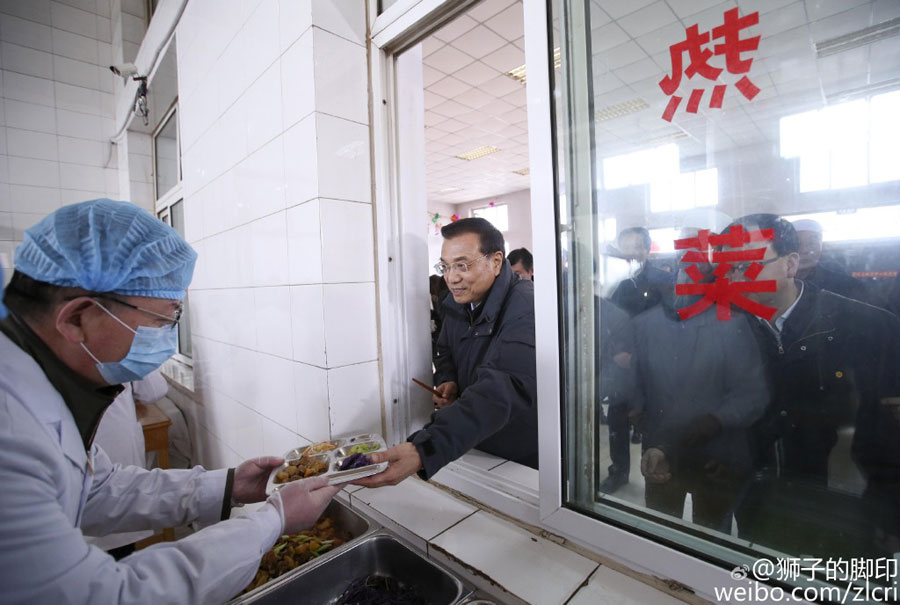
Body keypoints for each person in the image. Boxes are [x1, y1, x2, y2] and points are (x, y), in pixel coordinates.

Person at [0, 199, 340, 603]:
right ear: (77, 318)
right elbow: (107, 597)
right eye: (163, 319)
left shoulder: (39, 386)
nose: (168, 336)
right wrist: (272, 521)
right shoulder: (11, 432)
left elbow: (97, 488)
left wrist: (229, 485)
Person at [722, 214, 900, 557]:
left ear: (790, 264)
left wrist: (890, 512)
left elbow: (890, 432)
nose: (735, 278)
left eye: (747, 266)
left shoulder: (868, 327)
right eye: (728, 269)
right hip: (761, 502)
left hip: (847, 506)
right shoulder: (725, 329)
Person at [358, 218, 537, 486]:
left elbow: (504, 384)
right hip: (471, 440)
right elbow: (444, 351)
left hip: (518, 453)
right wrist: (448, 379)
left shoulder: (526, 306)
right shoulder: (456, 301)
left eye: (462, 265)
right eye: (445, 266)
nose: (452, 278)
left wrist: (425, 448)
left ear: (496, 261)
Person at [632, 220, 769, 531]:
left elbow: (752, 393)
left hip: (716, 457)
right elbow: (638, 387)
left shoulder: (733, 325)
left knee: (710, 535)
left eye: (698, 257)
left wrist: (716, 421)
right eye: (683, 258)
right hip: (661, 454)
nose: (688, 269)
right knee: (660, 530)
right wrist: (640, 418)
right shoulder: (645, 325)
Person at [85, 369, 168, 558]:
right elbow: (153, 390)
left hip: (89, 459)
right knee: (117, 547)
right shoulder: (118, 354)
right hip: (112, 450)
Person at [792, 219, 869, 303]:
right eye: (797, 244)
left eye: (812, 243)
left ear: (822, 246)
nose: (804, 250)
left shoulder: (847, 286)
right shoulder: (780, 283)